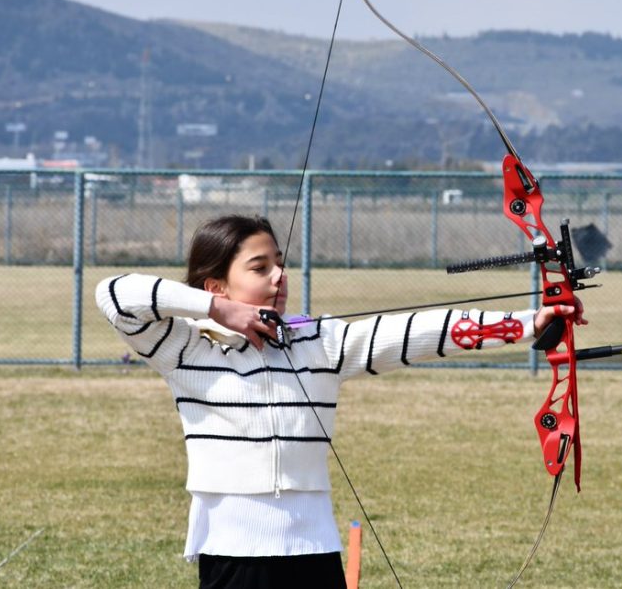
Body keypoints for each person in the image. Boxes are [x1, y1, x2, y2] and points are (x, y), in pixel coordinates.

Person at [94, 214, 585, 588]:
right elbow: (114, 294)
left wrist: (524, 324)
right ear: (216, 284)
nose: (278, 276)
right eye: (259, 267)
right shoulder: (184, 349)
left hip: (315, 551)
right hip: (231, 554)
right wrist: (219, 310)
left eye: (279, 263)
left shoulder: (319, 342)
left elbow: (411, 332)